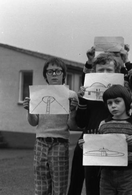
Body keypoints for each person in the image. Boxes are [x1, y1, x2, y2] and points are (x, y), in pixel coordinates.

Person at [68, 48, 132, 195]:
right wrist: (82, 101)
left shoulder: (119, 94)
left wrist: (126, 60)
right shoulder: (88, 92)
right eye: (100, 70)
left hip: (112, 144)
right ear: (94, 72)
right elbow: (81, 122)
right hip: (90, 141)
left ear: (116, 73)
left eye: (108, 70)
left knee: (107, 188)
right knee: (84, 187)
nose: (104, 73)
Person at [23, 57, 78, 195]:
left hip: (59, 142)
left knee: (59, 187)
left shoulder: (71, 95)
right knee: (41, 186)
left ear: (63, 74)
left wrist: (73, 111)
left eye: (57, 71)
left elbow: (71, 125)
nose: (54, 74)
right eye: (50, 71)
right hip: (41, 142)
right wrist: (29, 110)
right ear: (45, 75)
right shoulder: (38, 94)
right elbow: (34, 122)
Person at [81, 85, 132, 195]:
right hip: (105, 175)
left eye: (117, 101)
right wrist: (86, 146)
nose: (113, 106)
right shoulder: (103, 125)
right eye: (109, 103)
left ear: (127, 102)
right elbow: (98, 151)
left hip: (127, 174)